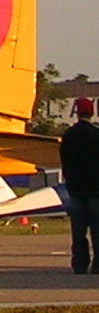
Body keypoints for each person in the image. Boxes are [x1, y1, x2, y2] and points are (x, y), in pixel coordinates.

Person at [60, 97, 99, 274]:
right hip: (96, 190)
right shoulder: (96, 134)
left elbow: (65, 162)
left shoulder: (69, 136)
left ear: (77, 113)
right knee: (97, 231)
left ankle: (80, 264)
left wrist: (70, 183)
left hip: (76, 190)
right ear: (92, 113)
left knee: (78, 231)